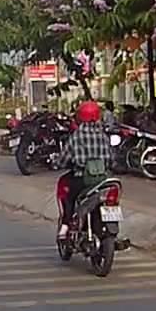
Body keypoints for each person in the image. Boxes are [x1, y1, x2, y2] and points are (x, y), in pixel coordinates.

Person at [57, 100, 113, 239]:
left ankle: (66, 225)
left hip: (82, 179)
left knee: (69, 196)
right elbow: (111, 159)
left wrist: (57, 163)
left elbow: (63, 159)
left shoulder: (76, 136)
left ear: (80, 117)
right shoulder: (103, 136)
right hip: (102, 180)